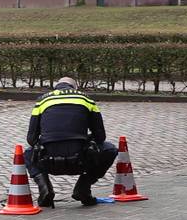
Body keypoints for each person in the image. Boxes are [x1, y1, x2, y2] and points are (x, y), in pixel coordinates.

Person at [23, 77, 118, 207]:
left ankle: (45, 190)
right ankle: (83, 189)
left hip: (48, 160)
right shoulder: (86, 99)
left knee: (27, 153)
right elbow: (100, 136)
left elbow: (31, 139)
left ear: (56, 87)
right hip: (80, 159)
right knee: (110, 150)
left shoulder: (42, 100)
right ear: (75, 87)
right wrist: (85, 138)